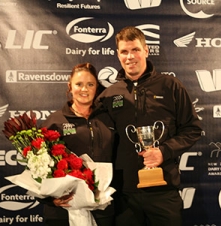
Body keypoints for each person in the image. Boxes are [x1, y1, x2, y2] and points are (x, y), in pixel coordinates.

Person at [97, 26, 203, 226]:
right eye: (124, 52)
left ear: (146, 51)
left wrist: (164, 151)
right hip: (124, 194)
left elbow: (192, 128)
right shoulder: (109, 95)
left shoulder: (170, 86)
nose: (130, 57)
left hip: (162, 190)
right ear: (118, 55)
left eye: (135, 50)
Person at [39, 63, 116, 226]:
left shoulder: (109, 118)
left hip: (103, 209)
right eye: (79, 84)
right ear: (70, 86)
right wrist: (51, 199)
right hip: (64, 209)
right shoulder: (55, 121)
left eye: (90, 84)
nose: (84, 89)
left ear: (97, 87)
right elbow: (38, 165)